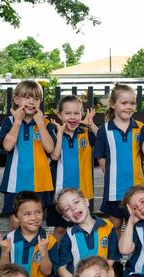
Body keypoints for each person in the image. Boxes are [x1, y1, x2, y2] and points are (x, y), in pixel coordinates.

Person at [45, 188, 121, 277]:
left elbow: (112, 259)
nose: (73, 209)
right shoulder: (68, 236)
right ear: (65, 217)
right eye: (67, 209)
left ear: (86, 202)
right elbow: (61, 269)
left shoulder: (108, 227)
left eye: (76, 202)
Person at [0, 80, 56, 230]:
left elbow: (50, 149)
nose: (32, 101)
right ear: (16, 100)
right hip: (15, 183)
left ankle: (37, 253)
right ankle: (13, 253)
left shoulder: (45, 122)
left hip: (40, 182)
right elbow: (7, 145)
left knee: (37, 223)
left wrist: (41, 124)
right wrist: (17, 122)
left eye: (36, 98)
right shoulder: (9, 121)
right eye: (27, 97)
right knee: (15, 223)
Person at [94, 83, 144, 234]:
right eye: (124, 103)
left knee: (136, 224)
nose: (128, 107)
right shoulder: (105, 130)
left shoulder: (141, 128)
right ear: (112, 104)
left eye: (132, 103)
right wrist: (111, 175)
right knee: (115, 225)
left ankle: (134, 256)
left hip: (136, 188)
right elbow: (101, 158)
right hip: (114, 190)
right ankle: (115, 256)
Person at [0, 191, 58, 277]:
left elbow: (47, 272)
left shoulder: (49, 240)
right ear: (16, 217)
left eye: (38, 212)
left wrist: (44, 252)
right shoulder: (8, 239)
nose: (34, 217)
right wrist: (4, 253)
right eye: (27, 214)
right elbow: (2, 271)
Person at [48, 95, 98, 240]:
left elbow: (105, 140)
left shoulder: (86, 133)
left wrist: (91, 125)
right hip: (60, 192)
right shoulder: (54, 132)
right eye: (68, 113)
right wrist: (60, 134)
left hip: (82, 192)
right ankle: (56, 259)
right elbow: (54, 156)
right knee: (60, 228)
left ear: (82, 114)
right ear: (59, 115)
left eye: (76, 113)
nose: (73, 117)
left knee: (83, 226)